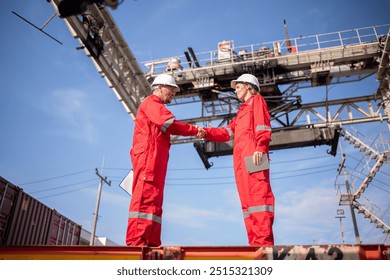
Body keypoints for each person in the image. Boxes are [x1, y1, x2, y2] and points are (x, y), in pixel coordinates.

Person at [126, 73, 204, 247]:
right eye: (172, 89)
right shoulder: (152, 103)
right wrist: (194, 130)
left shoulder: (155, 105)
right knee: (144, 198)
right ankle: (136, 241)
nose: (174, 93)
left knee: (153, 201)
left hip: (154, 160)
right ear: (159, 87)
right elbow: (170, 124)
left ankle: (151, 241)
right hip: (148, 158)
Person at [200, 74, 274, 246]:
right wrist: (205, 132)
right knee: (248, 203)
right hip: (241, 162)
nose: (235, 89)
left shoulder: (257, 101)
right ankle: (254, 244)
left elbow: (263, 126)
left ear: (248, 86)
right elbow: (226, 132)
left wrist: (260, 148)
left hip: (254, 157)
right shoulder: (241, 112)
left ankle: (263, 245)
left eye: (238, 86)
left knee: (258, 199)